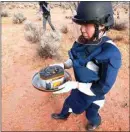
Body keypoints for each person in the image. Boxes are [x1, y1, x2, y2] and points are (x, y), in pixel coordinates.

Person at [50, 2, 122, 131]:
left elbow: (101, 89)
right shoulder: (84, 40)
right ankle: (63, 115)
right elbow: (76, 59)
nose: (82, 29)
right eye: (81, 24)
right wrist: (63, 65)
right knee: (68, 102)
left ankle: (95, 122)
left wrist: (75, 85)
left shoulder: (110, 52)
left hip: (94, 94)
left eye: (87, 24)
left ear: (101, 25)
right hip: (79, 87)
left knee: (91, 113)